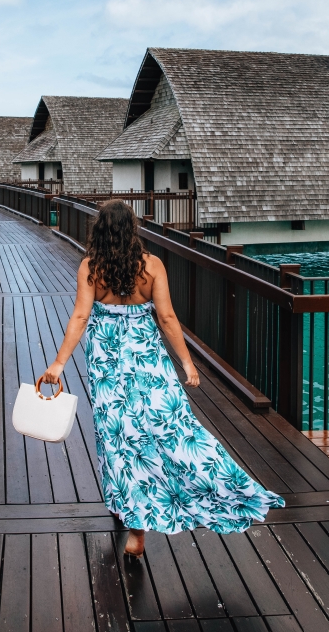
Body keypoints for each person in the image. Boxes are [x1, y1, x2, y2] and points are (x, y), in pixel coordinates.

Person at [43, 200, 284, 558]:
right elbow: (168, 318)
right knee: (172, 427)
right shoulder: (152, 266)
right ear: (132, 230)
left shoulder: (90, 268)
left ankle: (133, 523)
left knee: (119, 438)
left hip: (107, 362)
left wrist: (59, 365)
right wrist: (187, 364)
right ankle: (217, 486)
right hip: (147, 359)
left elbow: (80, 318)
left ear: (101, 232)